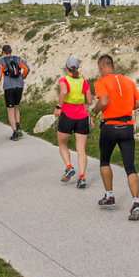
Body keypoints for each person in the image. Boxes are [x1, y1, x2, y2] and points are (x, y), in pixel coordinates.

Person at [90, 54, 139, 221]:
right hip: (127, 126)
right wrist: (125, 107)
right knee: (130, 166)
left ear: (101, 67)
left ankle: (109, 195)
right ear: (112, 66)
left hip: (110, 127)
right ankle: (136, 203)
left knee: (105, 160)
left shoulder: (101, 82)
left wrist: (94, 111)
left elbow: (104, 101)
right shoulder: (128, 81)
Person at [54, 57, 92, 188]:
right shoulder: (83, 82)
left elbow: (64, 91)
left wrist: (58, 107)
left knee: (62, 143)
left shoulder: (64, 80)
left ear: (66, 67)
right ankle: (82, 176)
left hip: (67, 114)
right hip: (82, 116)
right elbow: (90, 101)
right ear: (78, 67)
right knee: (81, 149)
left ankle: (69, 166)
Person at [0, 44, 30, 141]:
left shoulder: (1, 62)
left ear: (3, 52)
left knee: (10, 110)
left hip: (9, 87)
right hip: (19, 86)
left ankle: (14, 133)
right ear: (11, 51)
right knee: (16, 107)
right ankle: (18, 127)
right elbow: (27, 69)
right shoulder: (19, 59)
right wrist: (22, 77)